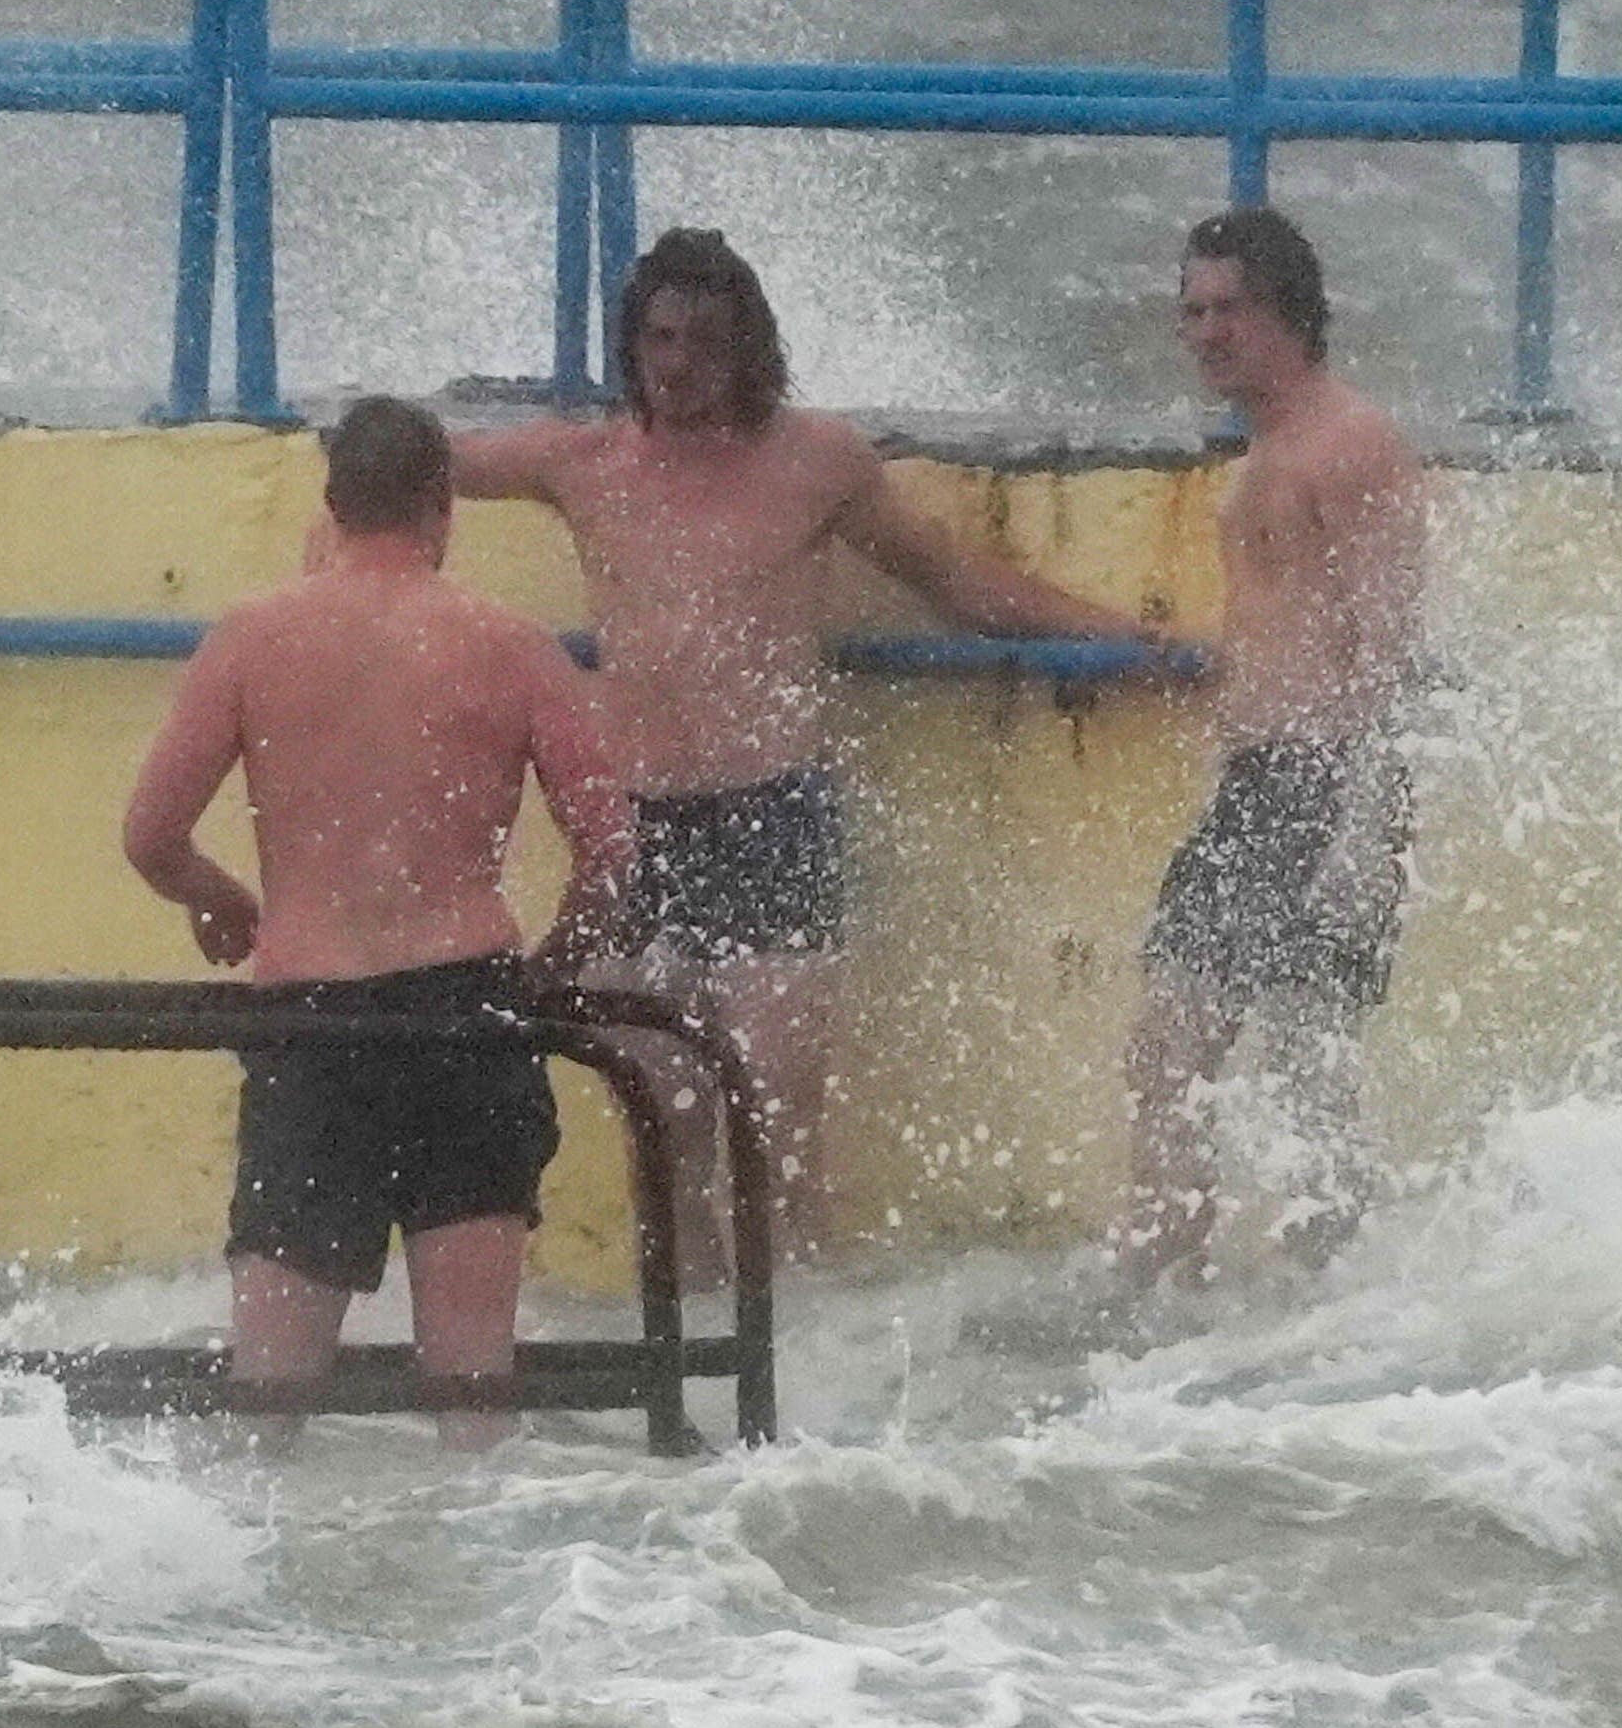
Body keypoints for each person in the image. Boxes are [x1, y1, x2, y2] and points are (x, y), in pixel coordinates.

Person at [444, 227, 1165, 1261]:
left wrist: (1098, 633)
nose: (679, 366)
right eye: (659, 340)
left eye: (703, 342)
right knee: (665, 1117)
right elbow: (416, 465)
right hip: (638, 826)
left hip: (769, 810)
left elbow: (950, 580)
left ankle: (805, 1388)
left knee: (774, 1122)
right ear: (630, 343)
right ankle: (681, 1367)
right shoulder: (581, 460)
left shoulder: (812, 460)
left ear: (747, 346)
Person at [122, 393, 638, 1433]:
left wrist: (226, 904)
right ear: (441, 506)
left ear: (332, 503)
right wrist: (552, 971)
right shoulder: (509, 643)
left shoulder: (253, 637)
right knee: (471, 1388)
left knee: (268, 1396)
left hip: (313, 1019)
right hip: (467, 1011)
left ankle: (249, 1586)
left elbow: (150, 836)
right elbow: (613, 853)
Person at [1117, 206, 1429, 1284]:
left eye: (1227, 309)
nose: (1203, 332)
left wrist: (1366, 828)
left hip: (1316, 785)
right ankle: (1266, 1296)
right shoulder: (1278, 447)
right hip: (1275, 781)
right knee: (1264, 1065)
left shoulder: (1348, 443)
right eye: (1190, 311)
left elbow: (1393, 646)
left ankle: (1168, 1286)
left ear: (1289, 312)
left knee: (1195, 1053)